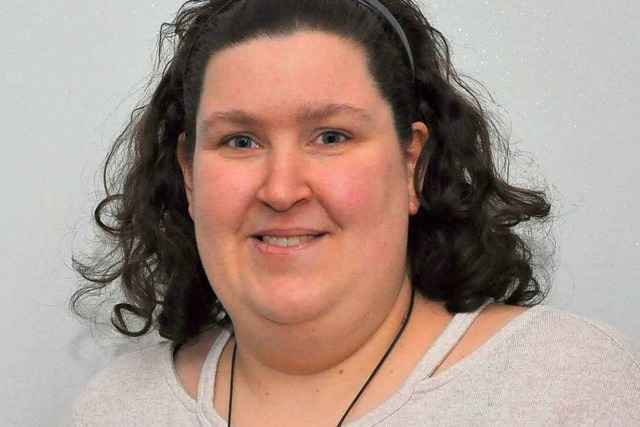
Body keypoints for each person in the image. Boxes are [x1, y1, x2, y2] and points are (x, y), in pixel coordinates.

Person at [67, 0, 640, 425]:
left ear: (412, 165)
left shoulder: (564, 387)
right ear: (190, 176)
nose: (282, 189)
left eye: (331, 136)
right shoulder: (114, 410)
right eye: (240, 141)